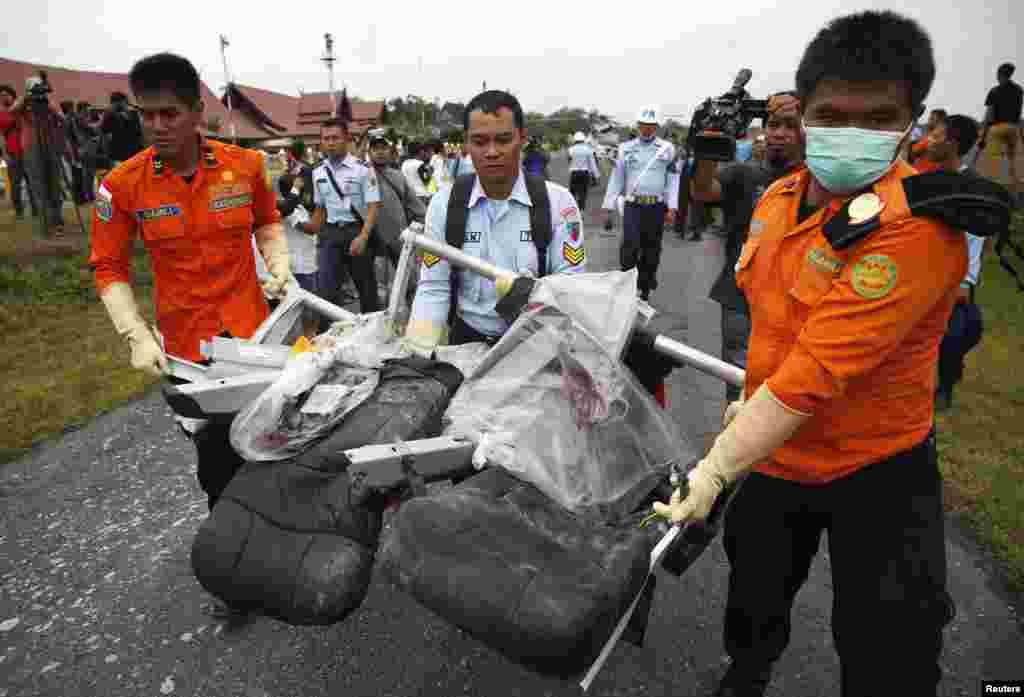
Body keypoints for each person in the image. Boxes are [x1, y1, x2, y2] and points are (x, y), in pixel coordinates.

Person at [652, 11, 968, 696]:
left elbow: (815, 373)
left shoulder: (918, 228)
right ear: (805, 109)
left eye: (877, 116)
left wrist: (713, 469)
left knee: (888, 643)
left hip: (876, 463)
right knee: (755, 591)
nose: (851, 132)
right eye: (834, 112)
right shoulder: (776, 197)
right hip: (777, 454)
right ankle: (748, 672)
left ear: (911, 120)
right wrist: (749, 399)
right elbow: (773, 320)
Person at [88, 52, 291, 514]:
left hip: (254, 336)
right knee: (215, 463)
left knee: (270, 441)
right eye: (147, 114)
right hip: (188, 350)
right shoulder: (122, 186)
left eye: (170, 114)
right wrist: (135, 335)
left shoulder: (245, 166)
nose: (158, 125)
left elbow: (267, 220)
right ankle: (232, 547)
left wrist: (278, 261)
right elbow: (108, 267)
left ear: (197, 112)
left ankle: (274, 536)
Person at [404, 90, 585, 354]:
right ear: (466, 143)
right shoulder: (444, 205)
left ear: (522, 139)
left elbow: (571, 287)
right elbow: (434, 287)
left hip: (535, 342)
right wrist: (417, 352)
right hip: (467, 340)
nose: (491, 152)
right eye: (479, 141)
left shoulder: (559, 204)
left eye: (503, 140)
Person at [690, 92, 804, 404]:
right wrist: (709, 142)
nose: (779, 133)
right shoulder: (744, 173)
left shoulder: (816, 182)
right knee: (739, 381)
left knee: (788, 385)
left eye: (790, 126)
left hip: (797, 300)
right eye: (774, 125)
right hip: (741, 296)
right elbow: (702, 190)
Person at [929, 114, 987, 412]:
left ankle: (946, 384)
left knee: (954, 333)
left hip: (954, 278)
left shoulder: (972, 188)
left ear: (951, 144)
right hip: (923, 271)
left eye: (935, 136)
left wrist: (965, 280)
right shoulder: (925, 179)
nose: (929, 141)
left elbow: (975, 238)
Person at [598, 106, 679, 301]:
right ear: (638, 125)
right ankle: (627, 284)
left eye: (651, 126)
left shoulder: (667, 149)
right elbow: (617, 178)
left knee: (652, 248)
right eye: (643, 125)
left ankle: (645, 286)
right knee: (630, 246)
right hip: (633, 206)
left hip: (656, 206)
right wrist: (607, 206)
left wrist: (673, 206)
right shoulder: (625, 149)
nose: (647, 129)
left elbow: (673, 179)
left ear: (656, 127)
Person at [309, 118, 382, 314]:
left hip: (357, 232)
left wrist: (364, 236)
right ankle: (328, 337)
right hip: (331, 233)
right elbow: (320, 208)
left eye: (335, 138)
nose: (330, 143)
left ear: (347, 139)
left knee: (366, 289)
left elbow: (374, 206)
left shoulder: (363, 169)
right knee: (326, 292)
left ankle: (372, 335)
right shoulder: (318, 172)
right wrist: (314, 236)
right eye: (326, 139)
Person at [979, 62, 1023, 201]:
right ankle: (1015, 198)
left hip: (997, 129)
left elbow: (989, 116)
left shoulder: (995, 91)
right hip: (1014, 129)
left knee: (991, 166)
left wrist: (982, 137)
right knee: (1014, 167)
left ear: (999, 74)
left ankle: (991, 198)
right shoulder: (1019, 90)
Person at [0, 83, 38, 219]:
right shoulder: (1, 114)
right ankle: (19, 211)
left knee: (32, 182)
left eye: (6, 95)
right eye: (1, 96)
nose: (4, 98)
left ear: (12, 95)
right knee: (15, 184)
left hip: (27, 149)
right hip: (12, 152)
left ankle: (36, 209)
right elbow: (1, 136)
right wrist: (4, 154)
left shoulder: (22, 109)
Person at [100, 91, 144, 167]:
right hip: (119, 155)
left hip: (133, 153)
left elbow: (139, 132)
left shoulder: (133, 114)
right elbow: (104, 134)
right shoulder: (110, 115)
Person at [567, 131, 600, 212]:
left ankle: (573, 209)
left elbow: (569, 161)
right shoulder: (589, 150)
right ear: (583, 140)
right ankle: (581, 210)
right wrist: (596, 175)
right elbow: (592, 164)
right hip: (585, 173)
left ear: (575, 140)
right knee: (583, 193)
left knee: (573, 192)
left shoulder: (570, 150)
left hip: (574, 173)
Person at [400, 141, 432, 206]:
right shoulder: (420, 164)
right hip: (422, 196)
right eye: (423, 150)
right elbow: (428, 182)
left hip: (410, 196)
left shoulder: (404, 164)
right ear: (420, 151)